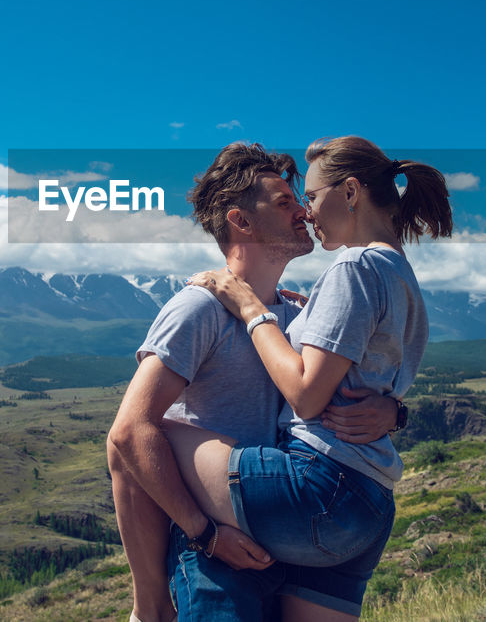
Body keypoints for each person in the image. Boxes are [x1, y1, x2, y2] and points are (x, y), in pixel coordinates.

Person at [106, 143, 402, 622]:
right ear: (241, 221)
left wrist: (394, 412)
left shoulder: (296, 315)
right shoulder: (200, 308)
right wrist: (205, 536)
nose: (304, 212)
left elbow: (356, 385)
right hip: (213, 548)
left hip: (280, 529)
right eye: (285, 204)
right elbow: (129, 433)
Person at [175, 136, 452, 621]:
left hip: (319, 485)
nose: (307, 212)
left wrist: (250, 307)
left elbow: (305, 395)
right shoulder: (398, 272)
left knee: (154, 430)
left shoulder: (355, 265)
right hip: (371, 503)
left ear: (350, 193)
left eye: (313, 197)